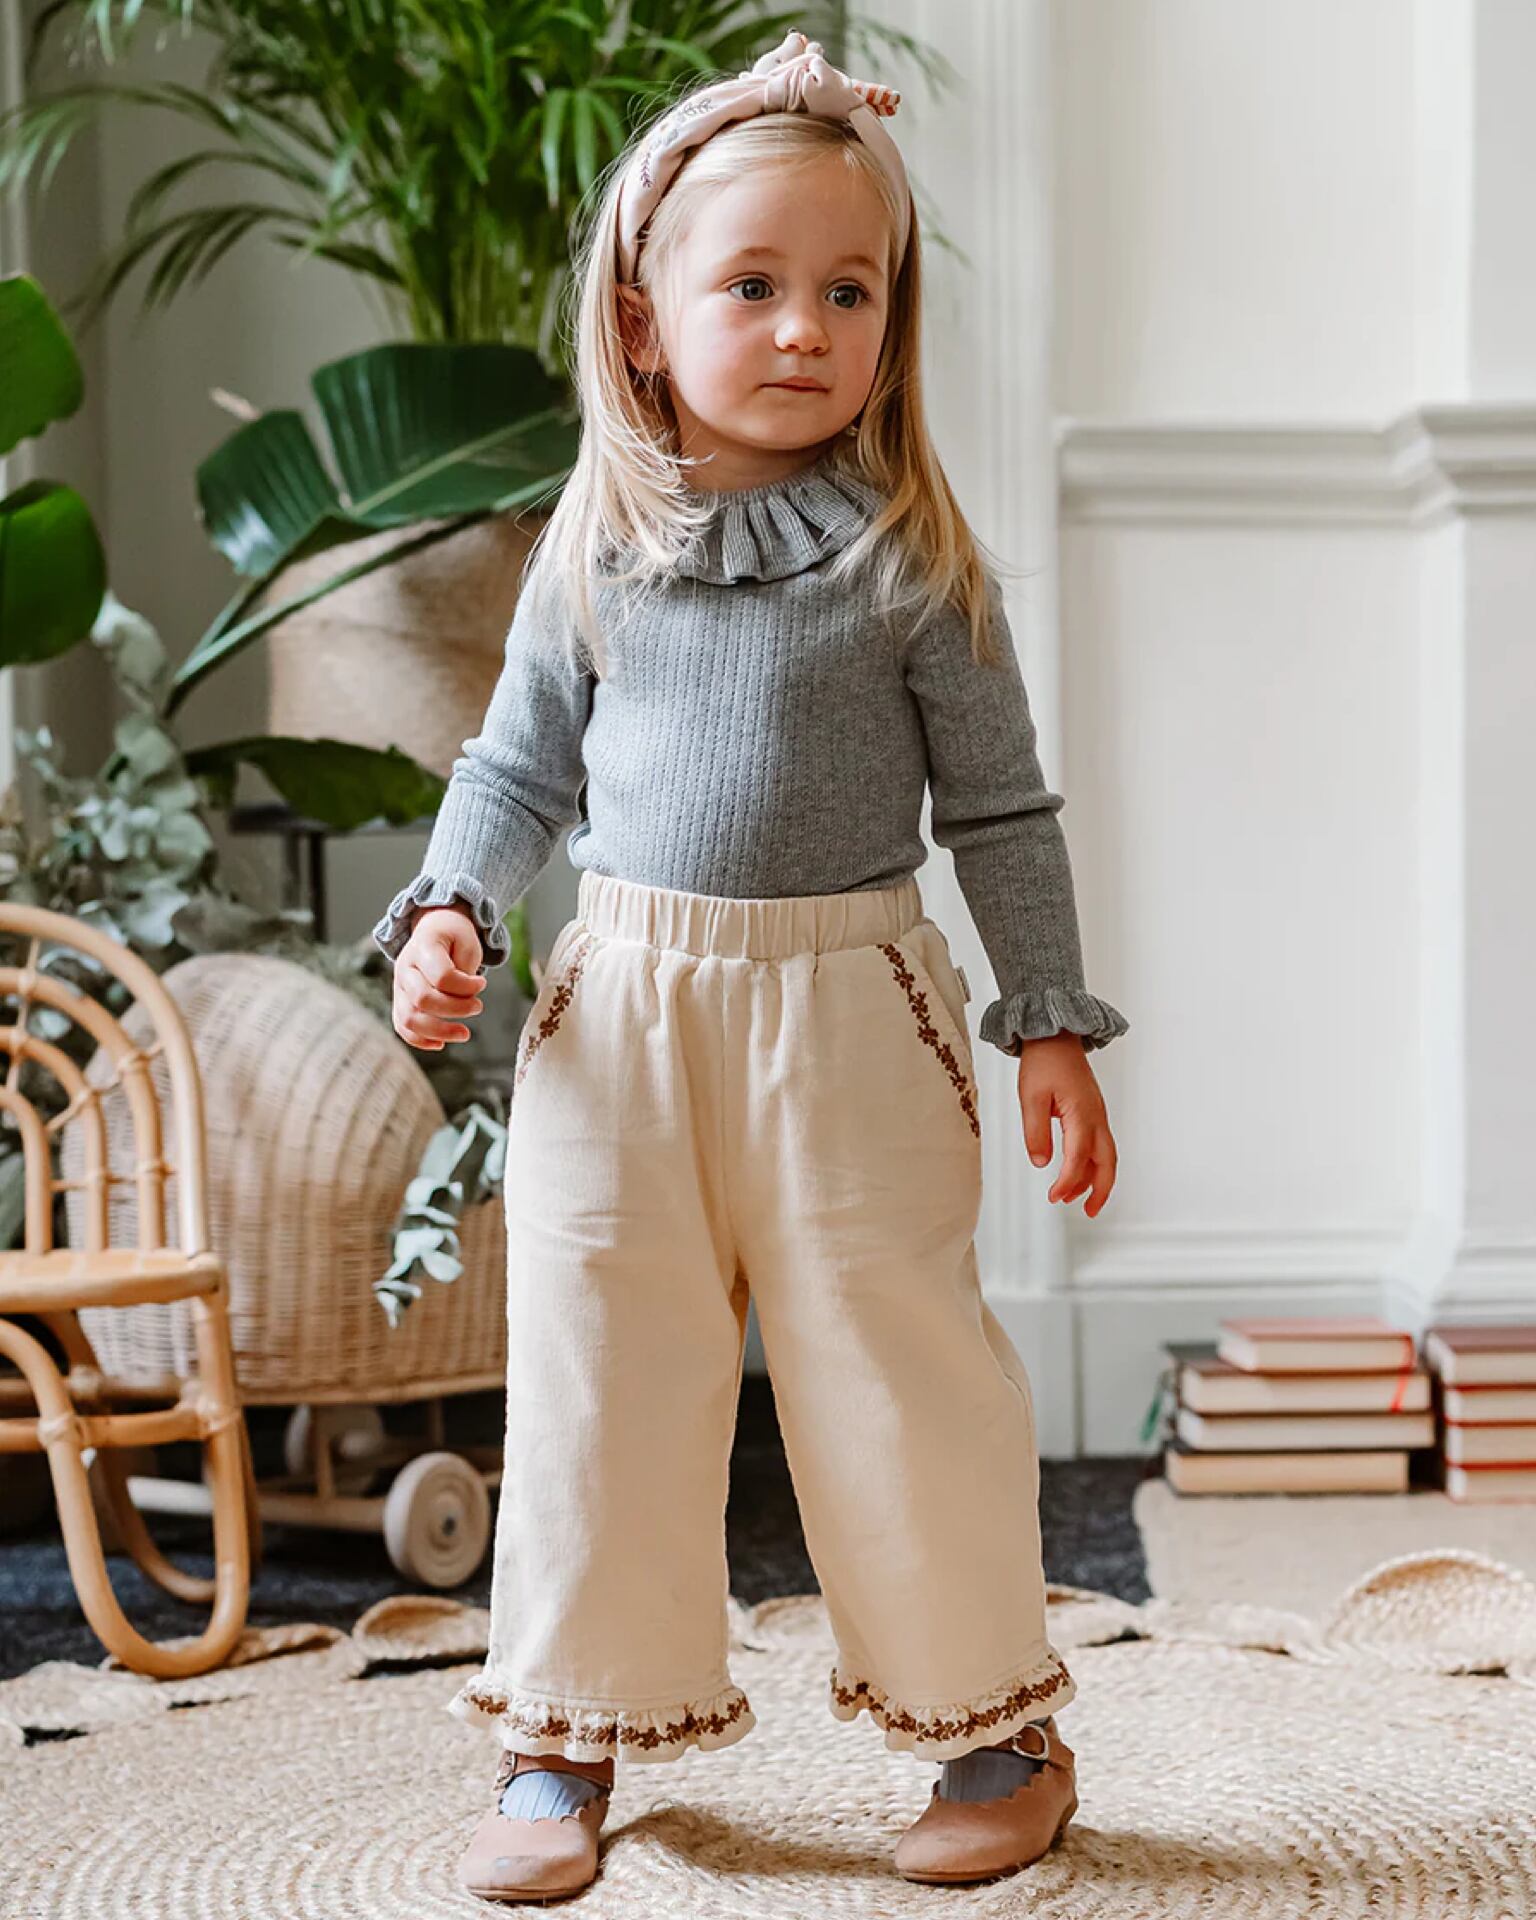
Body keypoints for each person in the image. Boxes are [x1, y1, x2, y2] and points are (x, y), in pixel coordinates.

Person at [372, 27, 1128, 1903]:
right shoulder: (596, 536)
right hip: (620, 1020)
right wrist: (453, 909)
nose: (805, 327)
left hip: (851, 1017)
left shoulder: (911, 555)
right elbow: (515, 768)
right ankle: (563, 1734)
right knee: (599, 1369)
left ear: (893, 322)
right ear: (642, 322)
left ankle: (995, 1734)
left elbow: (1004, 813)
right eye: (755, 286)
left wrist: (1046, 1024)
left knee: (892, 1370)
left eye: (848, 291)